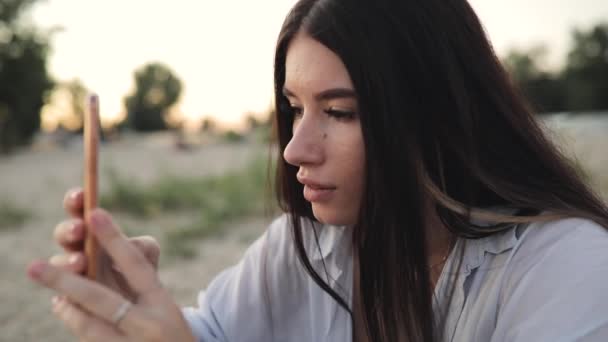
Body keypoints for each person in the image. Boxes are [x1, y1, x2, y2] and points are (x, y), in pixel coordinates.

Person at [27, 0, 608, 341]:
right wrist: (136, 305)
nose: (295, 149)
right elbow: (216, 331)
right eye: (294, 108)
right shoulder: (313, 242)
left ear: (439, 113)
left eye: (339, 112)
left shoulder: (568, 266)